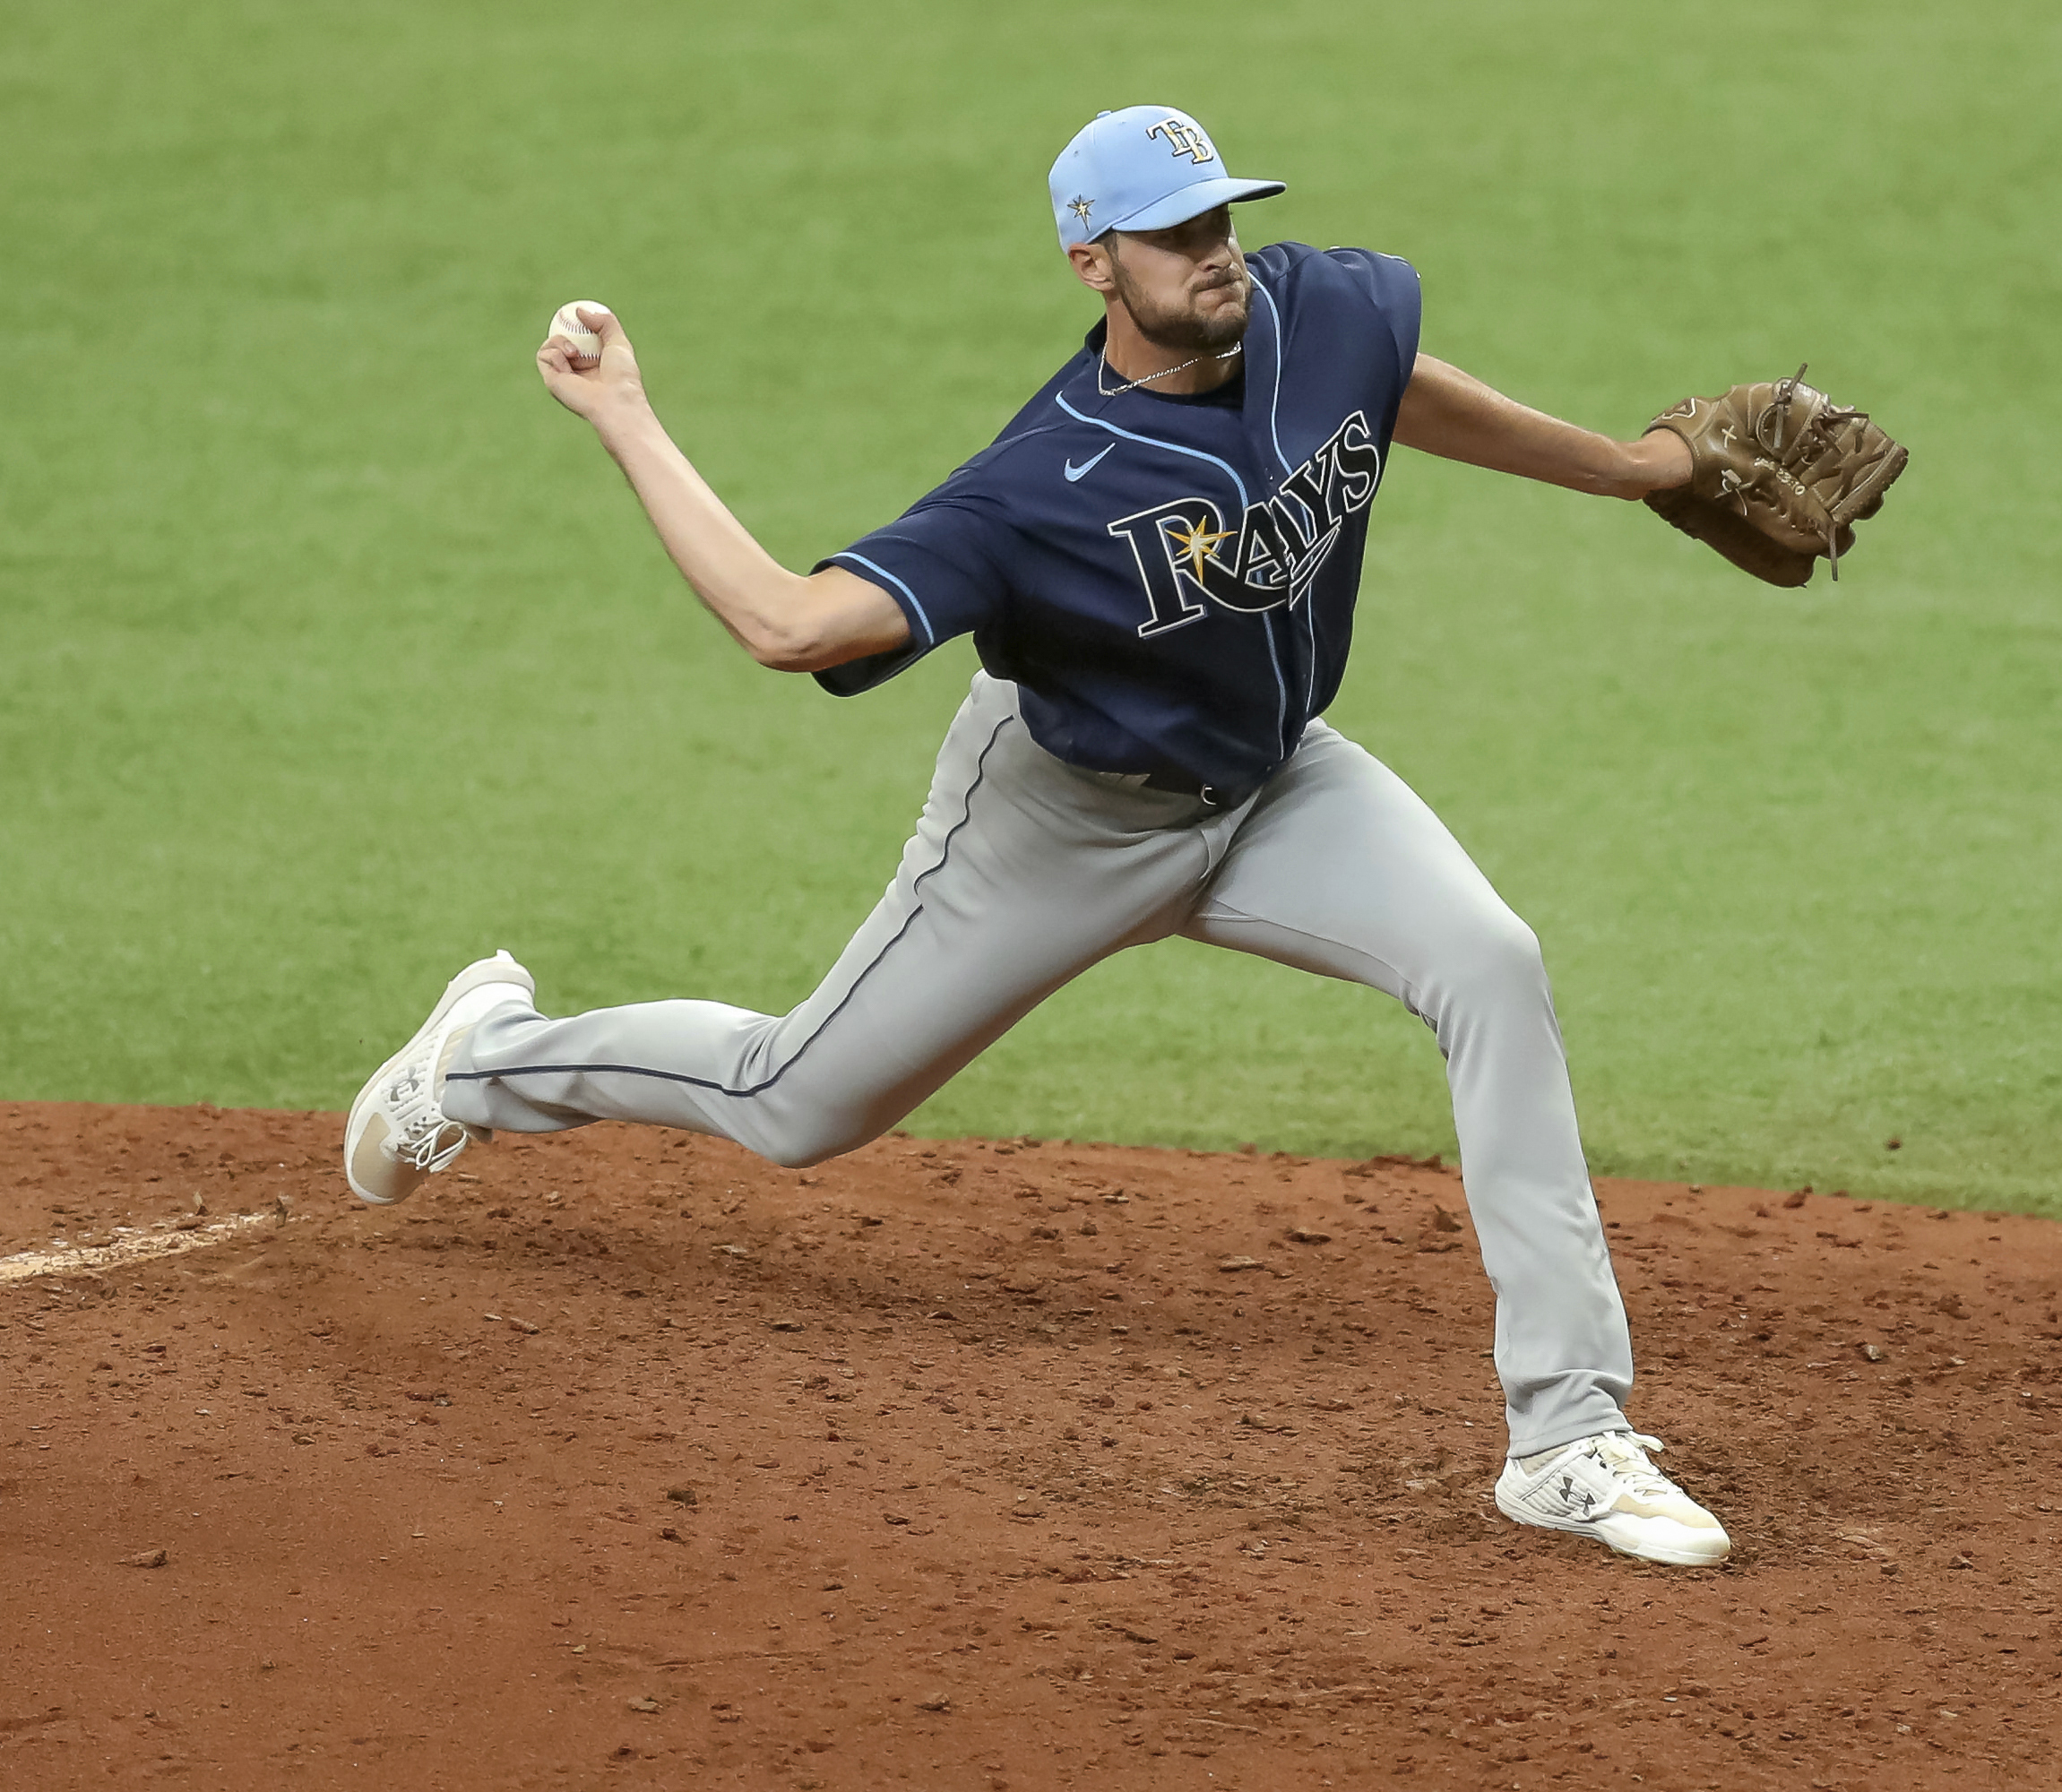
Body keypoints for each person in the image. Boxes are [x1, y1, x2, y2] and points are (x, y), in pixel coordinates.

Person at [347, 106, 1729, 1567]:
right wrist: (626, 417)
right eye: (1177, 235)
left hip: (1280, 789)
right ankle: (481, 1060)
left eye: (1222, 218)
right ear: (1093, 261)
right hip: (1058, 824)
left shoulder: (1312, 309)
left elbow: (1386, 391)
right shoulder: (1036, 489)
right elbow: (787, 625)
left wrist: (1634, 472)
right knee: (794, 1102)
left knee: (1491, 964)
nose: (1218, 254)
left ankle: (1567, 1438)